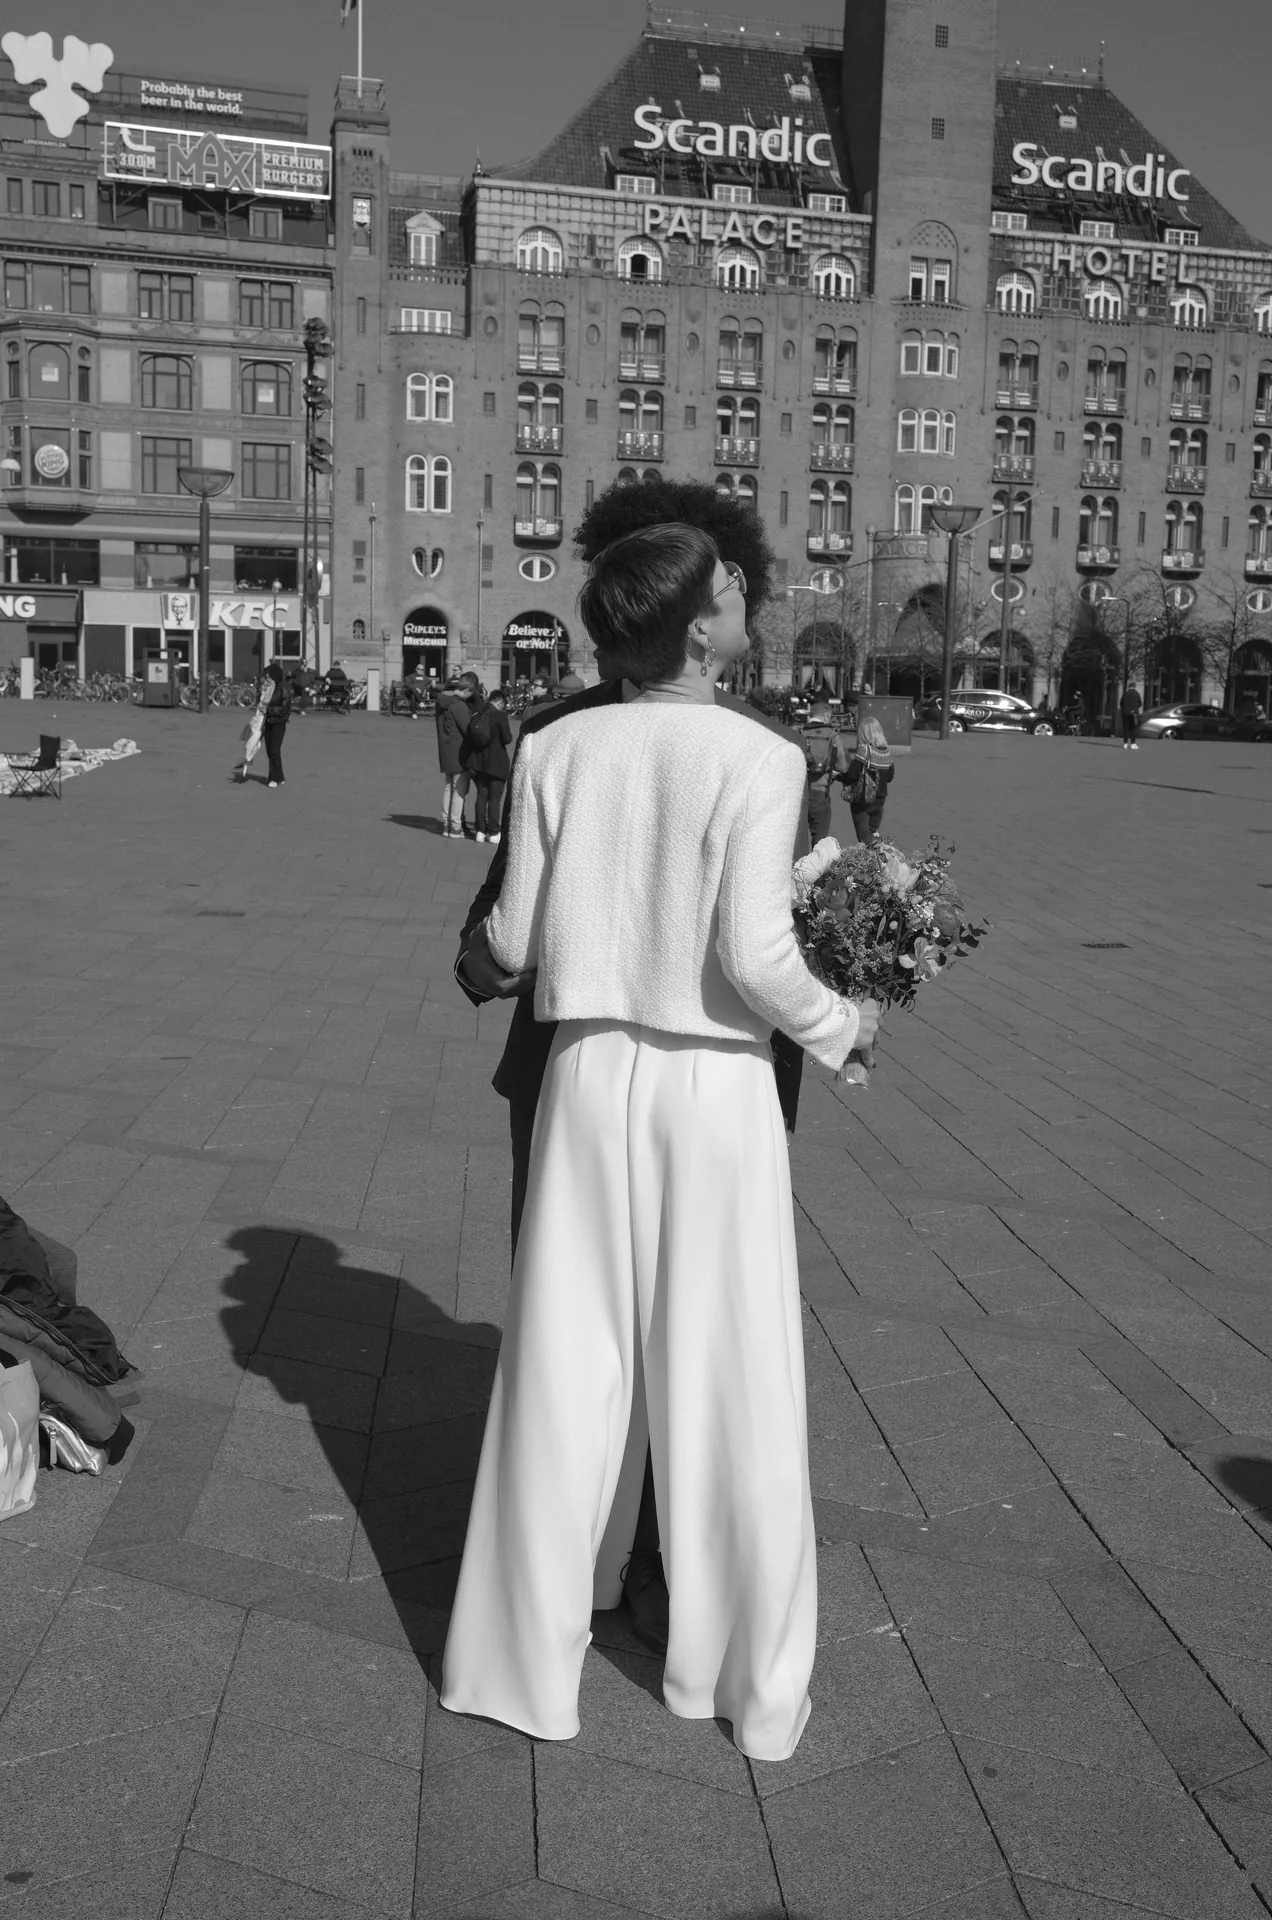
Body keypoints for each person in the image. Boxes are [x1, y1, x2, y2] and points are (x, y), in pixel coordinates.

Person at [440, 525, 876, 1764]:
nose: (747, 598)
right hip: (713, 1083)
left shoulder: (554, 745)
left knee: (562, 1365)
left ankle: (515, 1662)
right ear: (697, 629)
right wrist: (843, 1024)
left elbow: (514, 940)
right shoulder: (759, 755)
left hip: (585, 1072)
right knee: (727, 1373)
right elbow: (753, 954)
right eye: (732, 589)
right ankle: (737, 1679)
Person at [461, 686, 512, 843]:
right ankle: (494, 831)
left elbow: (469, 737)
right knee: (495, 798)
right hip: (497, 762)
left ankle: (480, 831)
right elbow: (507, 738)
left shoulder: (477, 715)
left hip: (478, 762)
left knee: (481, 796)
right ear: (500, 703)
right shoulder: (500, 716)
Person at [435, 672, 481, 837]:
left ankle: (446, 824)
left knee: (449, 789)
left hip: (446, 750)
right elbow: (468, 730)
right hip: (460, 752)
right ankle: (455, 826)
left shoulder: (442, 702)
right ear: (467, 691)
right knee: (459, 791)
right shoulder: (459, 705)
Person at [840, 714, 894, 844]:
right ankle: (878, 854)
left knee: (865, 839)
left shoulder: (864, 750)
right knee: (874, 834)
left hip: (863, 801)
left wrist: (840, 776)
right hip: (880, 801)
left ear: (863, 734)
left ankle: (877, 855)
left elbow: (852, 776)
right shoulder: (887, 752)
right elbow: (890, 777)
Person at [262, 661, 291, 788]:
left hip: (278, 723)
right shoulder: (267, 687)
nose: (267, 677)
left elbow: (284, 709)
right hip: (267, 722)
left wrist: (268, 710)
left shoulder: (283, 688)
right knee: (270, 751)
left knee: (274, 750)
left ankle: (272, 778)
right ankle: (280, 776)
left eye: (269, 675)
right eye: (266, 675)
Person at [1119, 682, 1142, 749]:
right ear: (1134, 687)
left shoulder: (1125, 694)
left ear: (1129, 687)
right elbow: (1140, 704)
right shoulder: (1137, 694)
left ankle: (1125, 743)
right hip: (1134, 714)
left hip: (1125, 713)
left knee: (1125, 728)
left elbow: (1121, 703)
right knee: (1133, 728)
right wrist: (1135, 707)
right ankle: (1133, 743)